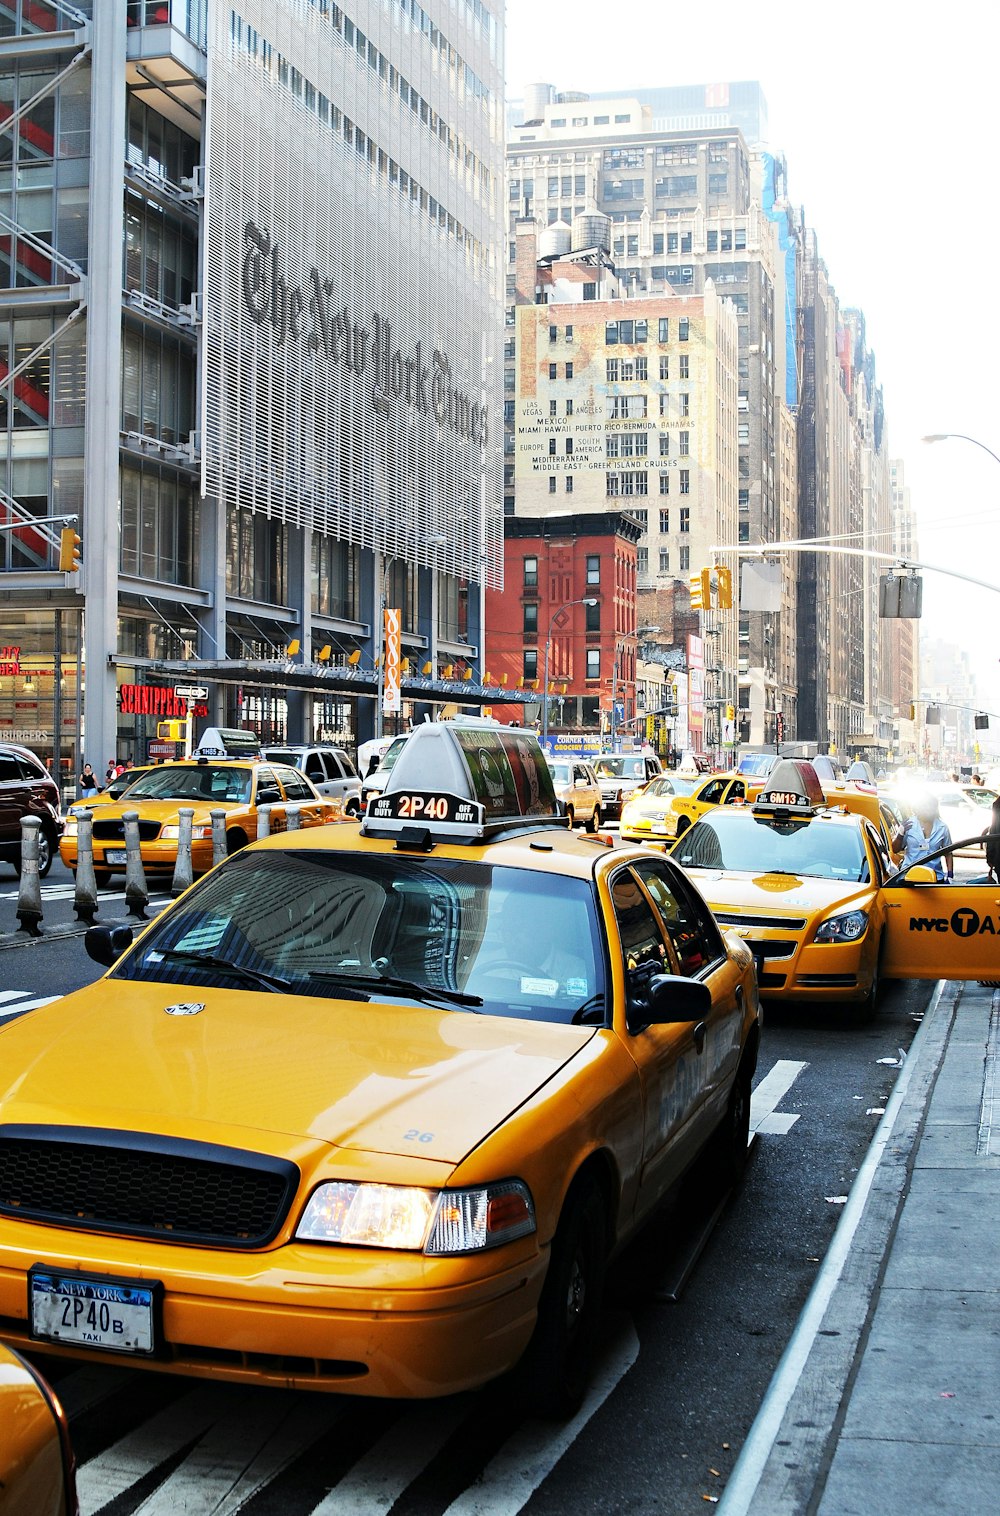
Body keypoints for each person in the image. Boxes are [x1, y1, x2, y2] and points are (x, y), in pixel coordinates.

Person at [901, 793, 954, 881]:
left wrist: (950, 875)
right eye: (923, 806)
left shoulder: (942, 828)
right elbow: (896, 849)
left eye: (930, 806)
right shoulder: (909, 824)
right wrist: (900, 834)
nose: (927, 809)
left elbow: (948, 853)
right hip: (909, 876)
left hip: (935, 877)